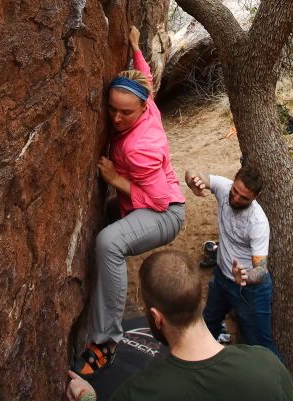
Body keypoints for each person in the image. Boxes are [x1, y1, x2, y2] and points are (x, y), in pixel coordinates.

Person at [73, 26, 185, 377]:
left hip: (165, 213)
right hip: (147, 202)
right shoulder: (145, 100)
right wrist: (136, 47)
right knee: (105, 225)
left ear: (141, 109)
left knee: (110, 242)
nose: (117, 119)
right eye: (112, 110)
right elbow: (146, 77)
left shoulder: (140, 146)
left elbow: (158, 198)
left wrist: (115, 179)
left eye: (126, 113)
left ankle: (107, 339)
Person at [66, 251, 293, 401]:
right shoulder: (266, 365)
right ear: (201, 301)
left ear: (156, 318)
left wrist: (86, 396)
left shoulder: (138, 393)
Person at [185, 164, 281, 358]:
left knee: (261, 346)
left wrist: (245, 276)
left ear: (254, 198)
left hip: (250, 290)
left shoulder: (258, 222)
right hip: (221, 279)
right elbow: (194, 172)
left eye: (244, 198)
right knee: (208, 323)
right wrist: (192, 181)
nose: (236, 198)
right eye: (235, 191)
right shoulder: (223, 187)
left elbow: (261, 270)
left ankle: (280, 384)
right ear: (233, 182)